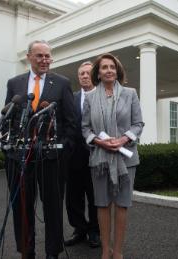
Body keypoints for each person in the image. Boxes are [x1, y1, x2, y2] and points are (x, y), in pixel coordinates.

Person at [4, 40, 76, 259]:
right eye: (40, 56)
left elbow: (71, 122)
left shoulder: (62, 83)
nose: (45, 60)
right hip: (20, 158)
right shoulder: (14, 83)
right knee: (22, 207)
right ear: (29, 57)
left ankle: (52, 252)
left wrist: (61, 151)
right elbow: (8, 118)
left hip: (51, 158)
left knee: (53, 208)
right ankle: (27, 251)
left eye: (48, 56)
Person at [81, 53, 144, 259]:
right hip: (99, 158)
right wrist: (99, 141)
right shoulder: (90, 97)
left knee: (122, 204)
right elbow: (85, 128)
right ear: (97, 73)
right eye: (104, 67)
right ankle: (105, 252)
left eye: (112, 67)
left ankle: (118, 252)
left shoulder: (130, 93)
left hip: (126, 158)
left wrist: (123, 139)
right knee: (102, 203)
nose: (109, 70)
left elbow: (138, 124)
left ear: (118, 71)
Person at [64, 61, 100, 248]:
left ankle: (95, 231)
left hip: (96, 156)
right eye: (81, 74)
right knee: (73, 197)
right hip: (73, 157)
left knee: (95, 197)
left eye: (88, 73)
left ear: (94, 75)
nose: (84, 76)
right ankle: (79, 229)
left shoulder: (104, 97)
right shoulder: (71, 97)